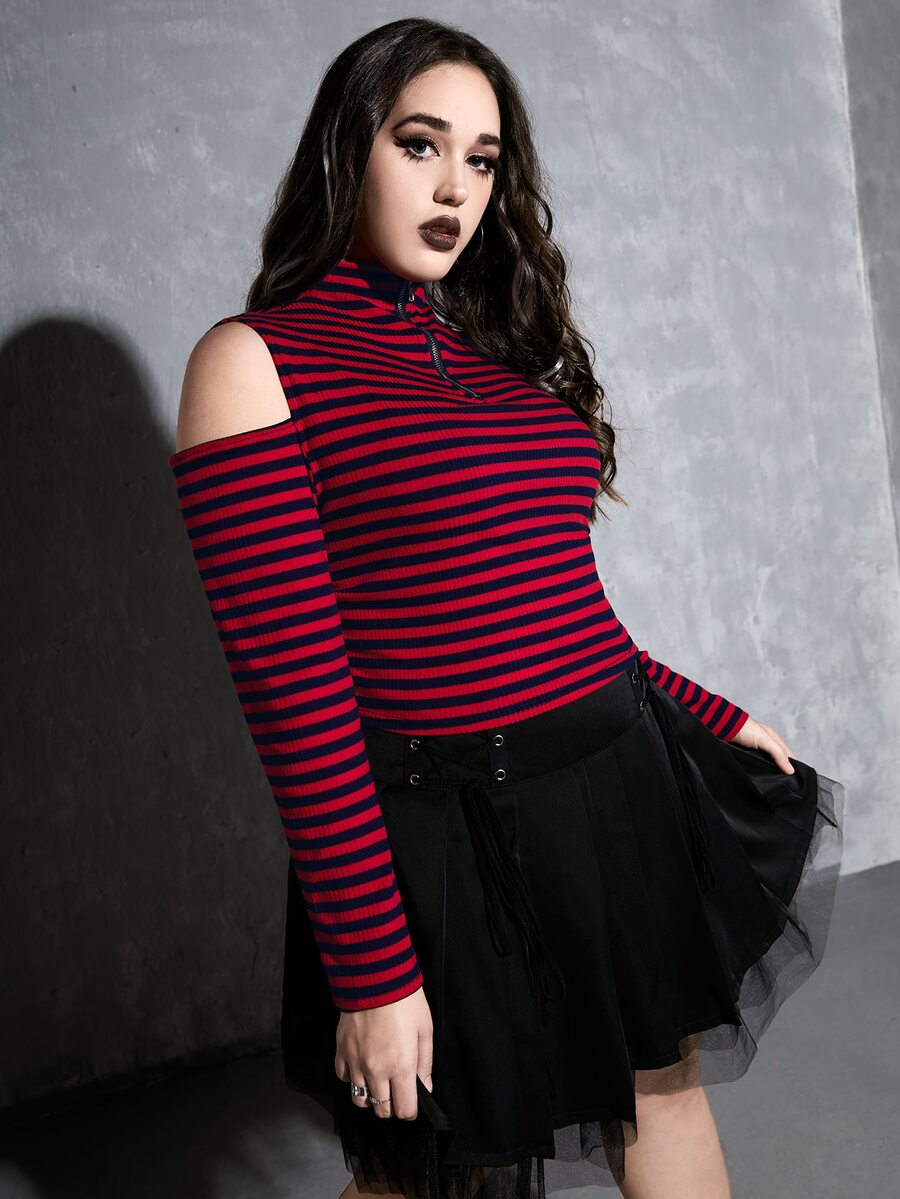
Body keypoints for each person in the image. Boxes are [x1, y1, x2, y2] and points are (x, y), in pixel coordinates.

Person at [167, 18, 844, 1199]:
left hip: (610, 788)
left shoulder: (487, 353)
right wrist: (375, 971)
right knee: (428, 1171)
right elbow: (297, 697)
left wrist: (708, 712)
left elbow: (558, 604)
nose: (456, 188)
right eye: (420, 144)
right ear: (348, 147)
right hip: (436, 833)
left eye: (482, 159)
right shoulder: (255, 362)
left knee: (661, 1087)